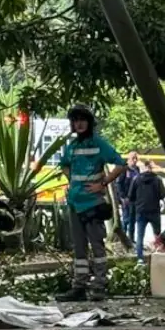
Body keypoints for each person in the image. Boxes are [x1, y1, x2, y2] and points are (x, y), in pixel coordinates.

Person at [57, 105, 127, 302]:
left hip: (92, 204)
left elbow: (121, 164)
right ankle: (79, 287)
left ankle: (99, 285)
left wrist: (102, 183)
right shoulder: (72, 146)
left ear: (89, 122)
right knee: (79, 247)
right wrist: (73, 182)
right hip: (75, 203)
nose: (78, 124)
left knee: (97, 246)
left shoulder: (99, 144)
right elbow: (64, 165)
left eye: (82, 120)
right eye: (75, 120)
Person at [129, 160, 165, 262]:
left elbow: (130, 196)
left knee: (140, 235)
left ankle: (140, 258)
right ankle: (158, 256)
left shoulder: (136, 179)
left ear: (143, 168)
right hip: (154, 210)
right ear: (151, 168)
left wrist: (137, 201)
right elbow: (163, 194)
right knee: (157, 234)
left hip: (141, 211)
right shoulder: (157, 179)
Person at [116, 151, 141, 245]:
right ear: (128, 159)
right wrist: (122, 197)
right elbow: (119, 183)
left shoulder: (137, 169)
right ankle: (123, 238)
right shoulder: (124, 169)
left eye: (136, 159)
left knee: (133, 219)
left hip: (135, 198)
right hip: (126, 198)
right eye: (133, 158)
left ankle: (131, 238)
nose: (134, 160)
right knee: (126, 218)